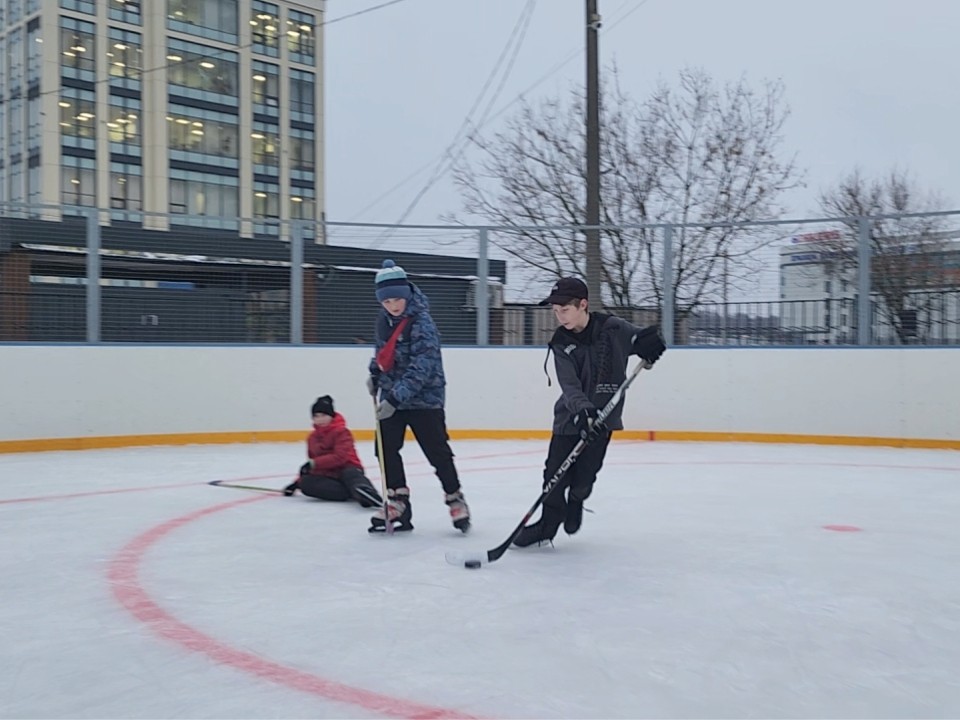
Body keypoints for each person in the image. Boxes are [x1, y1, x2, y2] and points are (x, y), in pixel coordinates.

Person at [513, 277, 666, 547]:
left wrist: (650, 343)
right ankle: (547, 527)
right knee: (553, 476)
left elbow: (639, 339)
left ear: (583, 305)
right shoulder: (561, 343)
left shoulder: (612, 328)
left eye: (565, 310)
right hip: (570, 420)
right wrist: (583, 412)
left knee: (585, 475)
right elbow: (569, 386)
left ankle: (577, 500)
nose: (560, 316)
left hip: (604, 421)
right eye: (555, 311)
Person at [365, 259, 470, 534]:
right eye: (387, 301)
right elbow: (382, 353)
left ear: (408, 294)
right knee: (385, 448)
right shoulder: (383, 321)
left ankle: (455, 499)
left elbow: (422, 367)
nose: (393, 305)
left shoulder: (422, 322)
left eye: (397, 299)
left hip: (425, 399)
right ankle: (397, 502)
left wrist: (394, 399)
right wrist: (374, 373)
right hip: (392, 397)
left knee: (437, 452)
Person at [283, 395, 383, 508]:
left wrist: (314, 463)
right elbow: (312, 466)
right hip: (328, 475)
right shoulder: (312, 438)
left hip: (347, 468)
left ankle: (366, 492)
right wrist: (296, 483)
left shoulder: (342, 432)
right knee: (306, 483)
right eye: (316, 416)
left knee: (351, 475)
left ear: (331, 416)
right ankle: (354, 492)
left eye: (324, 415)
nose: (320, 419)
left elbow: (341, 457)